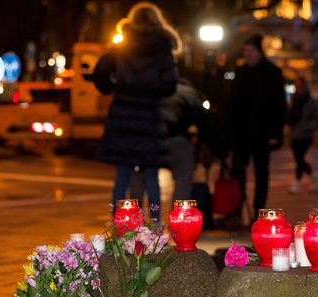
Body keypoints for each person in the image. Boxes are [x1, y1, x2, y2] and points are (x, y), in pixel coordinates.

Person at [91, 1, 179, 219]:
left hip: (124, 114)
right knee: (152, 174)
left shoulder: (122, 45)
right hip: (149, 115)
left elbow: (99, 72)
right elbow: (170, 85)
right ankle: (156, 229)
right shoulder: (162, 48)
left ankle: (119, 226)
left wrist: (114, 88)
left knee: (122, 174)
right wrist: (152, 91)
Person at [129, 77, 223, 205]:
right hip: (175, 136)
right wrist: (220, 150)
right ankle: (179, 218)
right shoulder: (189, 93)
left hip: (149, 139)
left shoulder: (154, 91)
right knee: (183, 176)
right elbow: (206, 123)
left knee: (141, 177)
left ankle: (135, 217)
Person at [229, 34, 286, 222]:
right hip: (241, 132)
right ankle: (237, 207)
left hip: (263, 132)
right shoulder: (241, 72)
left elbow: (279, 105)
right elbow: (233, 104)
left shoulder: (272, 72)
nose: (248, 55)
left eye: (251, 51)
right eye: (245, 51)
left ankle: (258, 210)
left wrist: (275, 132)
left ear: (259, 51)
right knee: (238, 170)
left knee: (262, 172)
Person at [286, 76, 318, 193]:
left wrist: (308, 126)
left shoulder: (311, 102)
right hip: (295, 133)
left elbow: (317, 118)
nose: (298, 87)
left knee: (299, 158)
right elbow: (289, 115)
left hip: (306, 135)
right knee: (298, 158)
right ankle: (312, 176)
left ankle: (297, 182)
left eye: (300, 85)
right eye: (297, 85)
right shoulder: (294, 100)